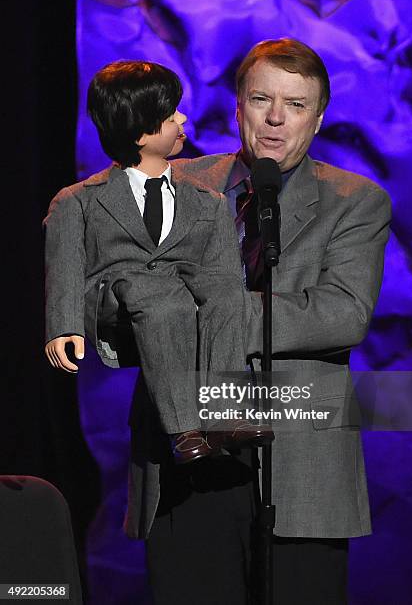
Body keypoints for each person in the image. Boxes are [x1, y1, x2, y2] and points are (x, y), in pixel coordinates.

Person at [125, 39, 391, 604]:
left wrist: (203, 316)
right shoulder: (167, 182)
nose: (274, 118)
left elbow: (342, 311)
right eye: (261, 99)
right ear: (237, 106)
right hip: (186, 459)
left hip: (300, 463)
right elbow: (122, 296)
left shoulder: (355, 201)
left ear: (318, 119)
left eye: (295, 105)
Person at [43, 60, 272, 465]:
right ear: (140, 129)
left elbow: (219, 271)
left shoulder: (206, 200)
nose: (182, 118)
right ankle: (183, 428)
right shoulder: (78, 200)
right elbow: (64, 263)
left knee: (223, 295)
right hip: (118, 293)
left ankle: (227, 412)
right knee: (159, 298)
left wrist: (223, 293)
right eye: (170, 115)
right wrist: (63, 326)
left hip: (178, 289)